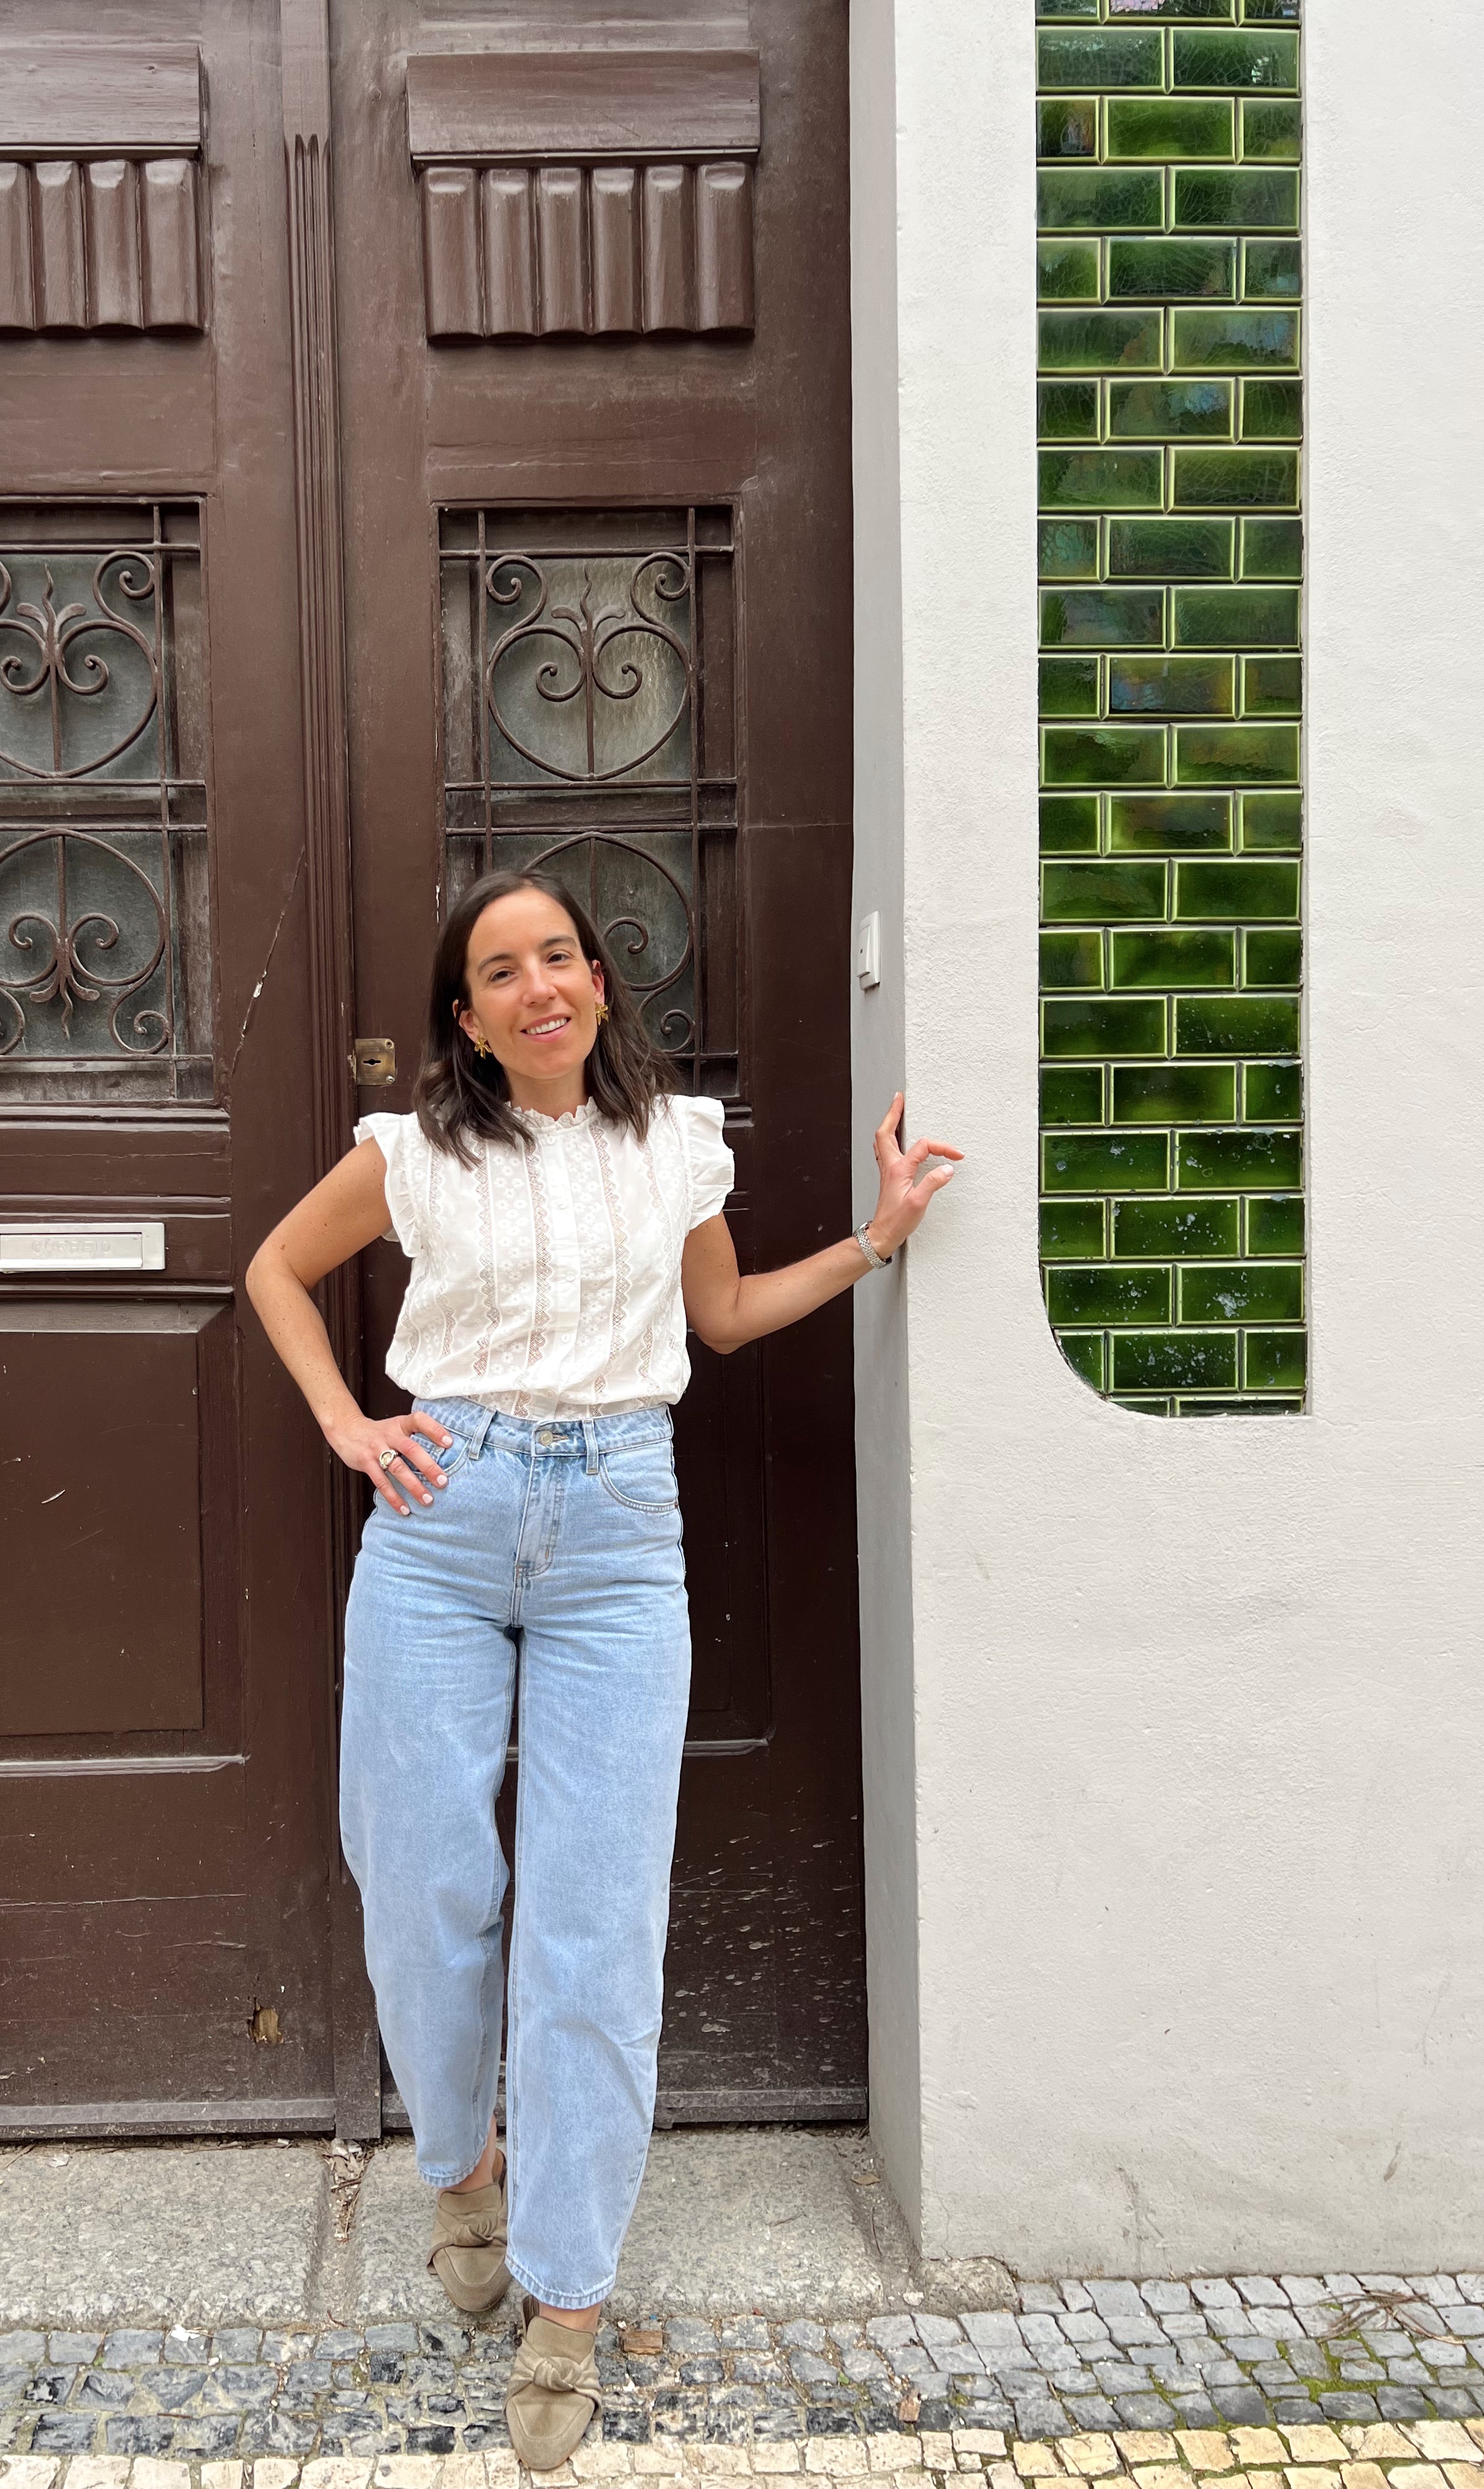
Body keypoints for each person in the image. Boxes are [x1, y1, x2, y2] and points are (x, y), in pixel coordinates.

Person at [245, 869, 959, 2469]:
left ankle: (566, 2300)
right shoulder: (411, 1154)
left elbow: (725, 1316)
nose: (539, 987)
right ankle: (461, 2170)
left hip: (620, 1535)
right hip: (439, 1524)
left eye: (558, 956)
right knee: (422, 1879)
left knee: (594, 1922)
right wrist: (349, 1426)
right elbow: (276, 1271)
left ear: (599, 982)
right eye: (501, 971)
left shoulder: (676, 1145)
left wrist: (877, 1239)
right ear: (467, 1017)